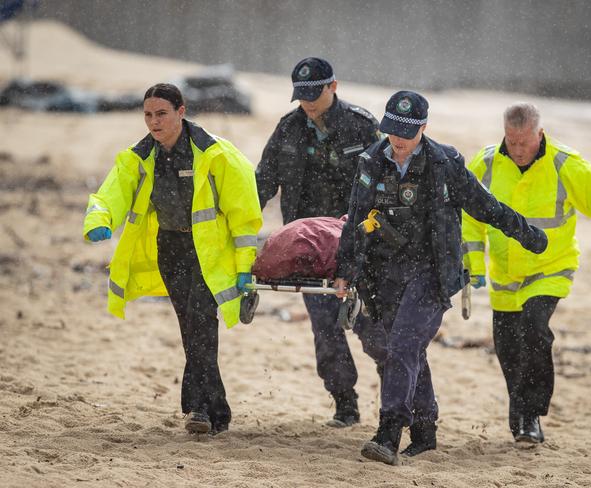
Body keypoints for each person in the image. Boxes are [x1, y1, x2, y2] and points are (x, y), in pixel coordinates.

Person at [334, 91, 548, 465]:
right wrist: (344, 271)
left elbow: (486, 207)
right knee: (399, 350)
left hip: (430, 272)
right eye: (392, 131)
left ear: (423, 128)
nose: (397, 141)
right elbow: (355, 218)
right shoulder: (371, 161)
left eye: (405, 132)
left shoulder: (444, 163)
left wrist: (526, 233)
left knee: (402, 346)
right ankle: (425, 430)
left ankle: (389, 430)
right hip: (382, 274)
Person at [462, 102, 591, 445]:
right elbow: (469, 217)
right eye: (511, 141)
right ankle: (520, 414)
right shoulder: (485, 163)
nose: (517, 150)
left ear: (540, 133)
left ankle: (530, 414)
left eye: (524, 142)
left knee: (534, 328)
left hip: (550, 268)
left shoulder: (567, 165)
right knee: (508, 348)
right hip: (504, 274)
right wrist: (473, 264)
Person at [83, 83, 262, 435]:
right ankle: (214, 408)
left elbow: (244, 215)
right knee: (190, 327)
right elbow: (113, 191)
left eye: (162, 113)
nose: (154, 121)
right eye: (148, 114)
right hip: (170, 250)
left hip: (209, 252)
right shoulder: (141, 155)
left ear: (181, 111)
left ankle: (201, 408)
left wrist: (244, 268)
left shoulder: (215, 154)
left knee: (201, 321)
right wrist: (99, 221)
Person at [255, 57, 381, 428]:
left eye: (315, 94)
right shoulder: (288, 129)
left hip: (357, 245)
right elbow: (262, 183)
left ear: (333, 87)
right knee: (325, 328)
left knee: (371, 326)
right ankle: (344, 401)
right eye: (301, 96)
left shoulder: (361, 127)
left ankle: (395, 397)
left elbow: (385, 182)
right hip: (309, 251)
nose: (308, 104)